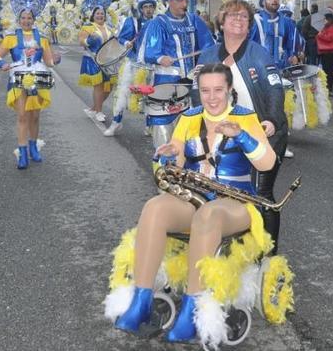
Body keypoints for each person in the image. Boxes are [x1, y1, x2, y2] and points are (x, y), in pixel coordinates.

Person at [111, 63, 278, 343]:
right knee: (155, 208)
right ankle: (141, 301)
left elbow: (268, 162)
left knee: (209, 216)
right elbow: (174, 161)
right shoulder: (189, 118)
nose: (211, 97)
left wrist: (242, 136)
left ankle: (192, 310)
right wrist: (166, 155)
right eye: (205, 91)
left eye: (218, 90)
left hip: (236, 203)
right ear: (198, 92)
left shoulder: (245, 117)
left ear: (229, 90)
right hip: (195, 196)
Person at [195, 0, 288, 252]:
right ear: (221, 22)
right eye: (233, 16)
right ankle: (233, 247)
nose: (239, 21)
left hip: (262, 132)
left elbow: (274, 90)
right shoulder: (208, 56)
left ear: (249, 25)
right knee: (222, 191)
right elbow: (196, 92)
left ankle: (268, 254)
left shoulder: (259, 55)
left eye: (245, 17)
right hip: (222, 135)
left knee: (261, 195)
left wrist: (270, 120)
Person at [139, 0, 216, 148]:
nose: (185, 3)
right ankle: (163, 169)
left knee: (189, 130)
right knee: (165, 129)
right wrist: (159, 58)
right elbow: (149, 53)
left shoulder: (194, 20)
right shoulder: (159, 23)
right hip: (166, 82)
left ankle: (184, 168)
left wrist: (204, 64)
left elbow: (208, 45)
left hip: (191, 81)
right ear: (170, 1)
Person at [0, 0, 62, 169]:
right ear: (19, 17)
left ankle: (33, 146)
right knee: (22, 116)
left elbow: (49, 61)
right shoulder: (12, 37)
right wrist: (2, 63)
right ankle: (22, 151)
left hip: (38, 79)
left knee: (35, 116)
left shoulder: (42, 37)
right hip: (17, 80)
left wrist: (55, 59)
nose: (26, 20)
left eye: (29, 17)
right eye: (23, 17)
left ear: (34, 18)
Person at [105, 0, 158, 136]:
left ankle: (150, 125)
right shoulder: (132, 22)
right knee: (123, 92)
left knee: (151, 94)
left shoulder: (158, 22)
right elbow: (121, 38)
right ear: (141, 8)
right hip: (133, 63)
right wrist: (127, 42)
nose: (148, 10)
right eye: (146, 7)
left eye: (151, 7)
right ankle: (116, 122)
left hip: (151, 64)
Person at [316, 12, 333, 92]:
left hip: (329, 51)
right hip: (325, 51)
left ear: (329, 19)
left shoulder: (332, 27)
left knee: (328, 70)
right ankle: (327, 85)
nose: (324, 21)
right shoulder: (327, 27)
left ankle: (329, 86)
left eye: (325, 19)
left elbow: (330, 38)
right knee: (326, 69)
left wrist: (320, 35)